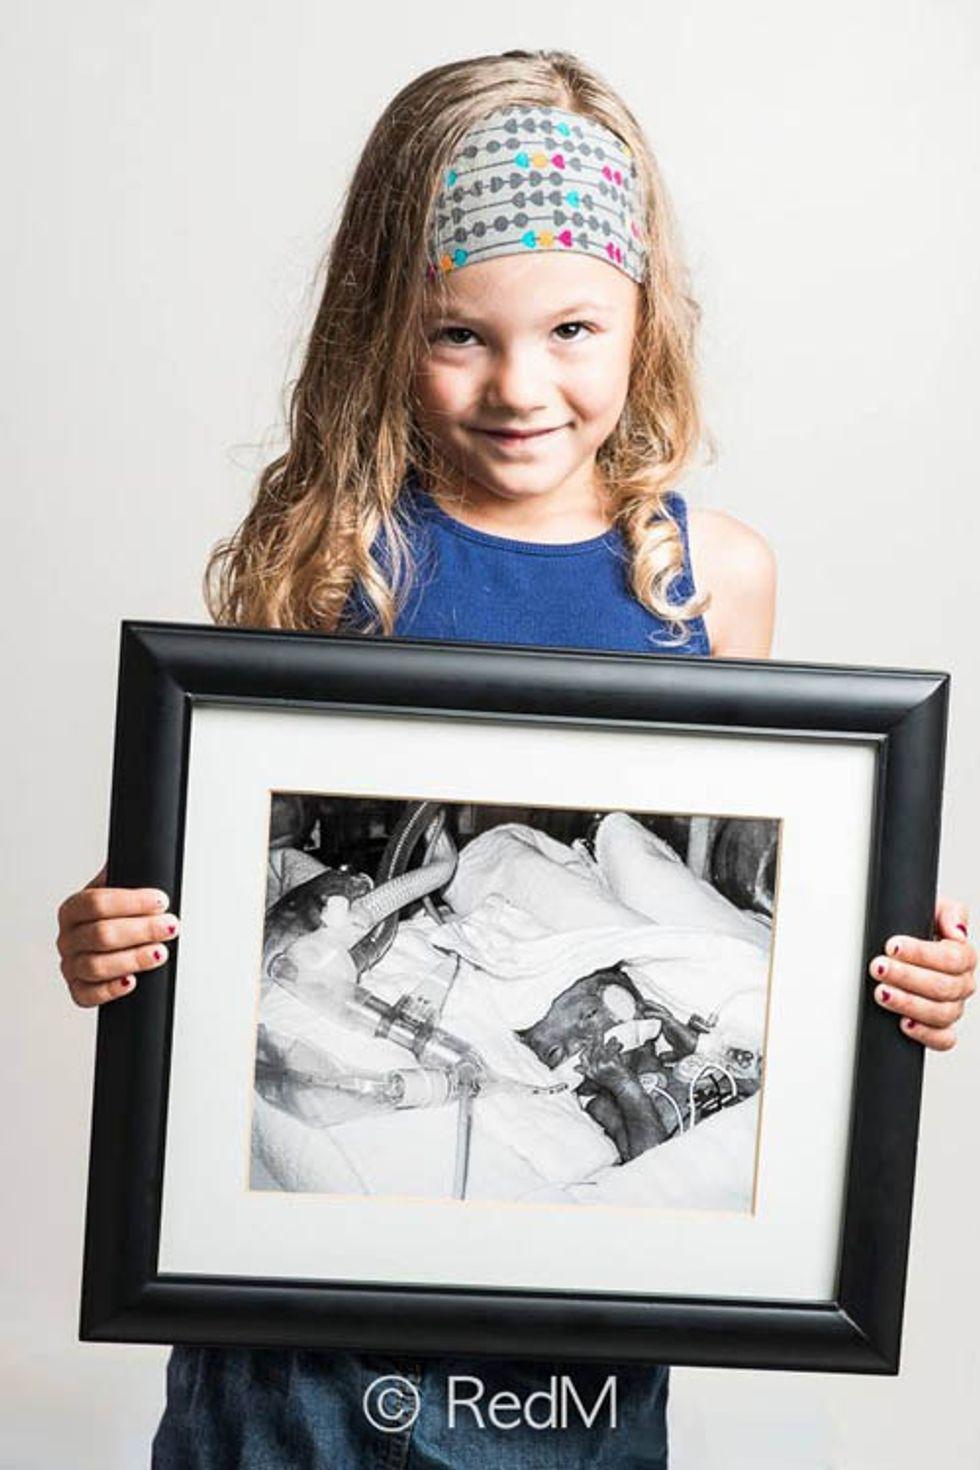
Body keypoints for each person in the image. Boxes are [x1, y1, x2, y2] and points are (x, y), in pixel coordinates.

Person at [55, 47, 976, 1470]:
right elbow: (228, 877)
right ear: (383, 329)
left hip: (578, 1325)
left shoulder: (709, 582)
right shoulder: (339, 564)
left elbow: (755, 915)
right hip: (304, 1322)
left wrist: (892, 969)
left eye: (570, 329)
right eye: (458, 334)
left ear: (642, 320)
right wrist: (117, 930)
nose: (518, 385)